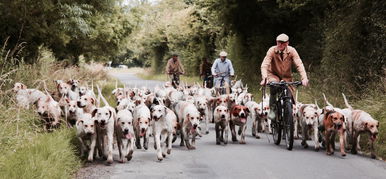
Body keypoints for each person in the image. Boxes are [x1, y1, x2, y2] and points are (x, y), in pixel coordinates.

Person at [260, 33, 309, 121]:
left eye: (282, 43)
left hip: (286, 77)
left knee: (288, 96)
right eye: (278, 42)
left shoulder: (292, 51)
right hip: (273, 74)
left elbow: (299, 64)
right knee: (274, 87)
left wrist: (304, 78)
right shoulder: (272, 50)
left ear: (287, 43)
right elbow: (265, 64)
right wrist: (264, 78)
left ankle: (288, 115)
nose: (280, 45)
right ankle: (272, 109)